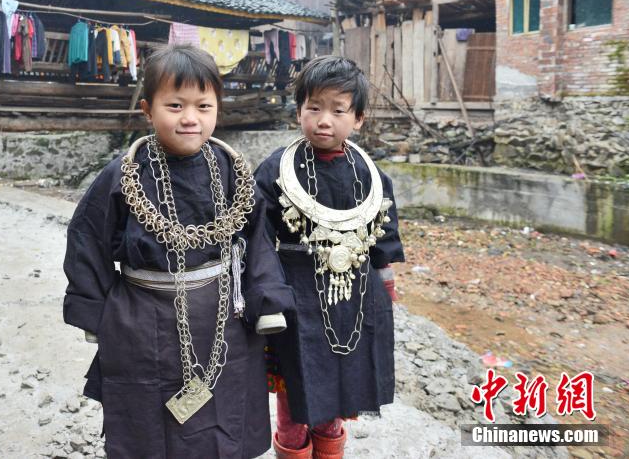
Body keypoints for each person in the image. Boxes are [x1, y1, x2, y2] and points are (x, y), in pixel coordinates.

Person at [63, 44, 294, 458]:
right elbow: (87, 238)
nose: (190, 118)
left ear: (217, 109)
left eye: (203, 106)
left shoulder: (232, 172)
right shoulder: (123, 175)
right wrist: (92, 309)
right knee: (149, 419)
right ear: (148, 111)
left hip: (223, 315)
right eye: (175, 105)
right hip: (142, 319)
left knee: (224, 411)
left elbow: (257, 241)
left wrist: (267, 301)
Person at [249, 56, 404, 459]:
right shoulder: (274, 170)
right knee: (294, 392)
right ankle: (293, 449)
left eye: (338, 110)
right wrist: (264, 293)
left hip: (351, 298)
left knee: (339, 389)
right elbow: (256, 237)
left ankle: (331, 449)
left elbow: (382, 236)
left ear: (359, 119)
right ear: (298, 109)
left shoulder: (371, 176)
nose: (324, 120)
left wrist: (385, 285)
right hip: (293, 296)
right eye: (314, 107)